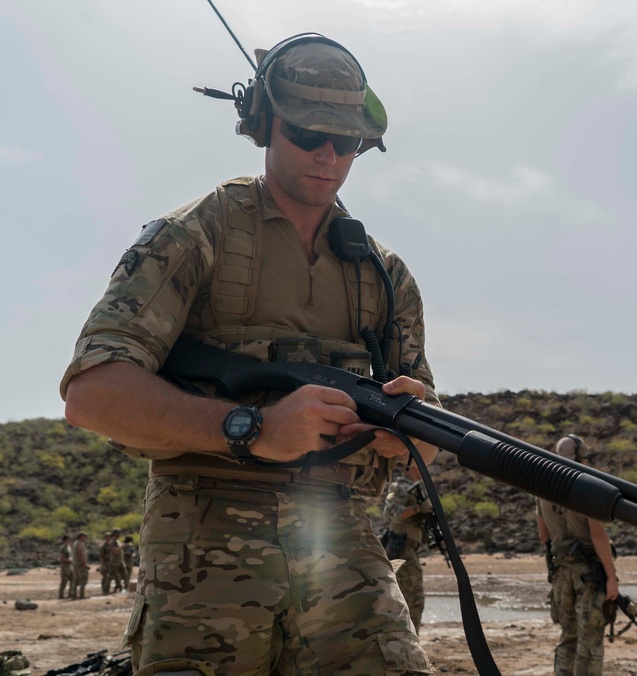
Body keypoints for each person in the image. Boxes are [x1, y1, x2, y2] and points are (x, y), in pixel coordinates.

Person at [61, 33, 439, 676]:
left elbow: (421, 426)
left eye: (345, 141)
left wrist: (412, 437)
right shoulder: (198, 234)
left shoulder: (382, 274)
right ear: (263, 122)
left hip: (344, 548)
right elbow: (93, 394)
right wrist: (251, 429)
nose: (328, 155)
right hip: (203, 557)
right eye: (307, 133)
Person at [536, 434, 620, 676]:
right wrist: (611, 577)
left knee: (568, 637)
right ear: (581, 456)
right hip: (589, 575)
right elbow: (597, 535)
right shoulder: (586, 485)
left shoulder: (541, 487)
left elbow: (544, 536)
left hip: (561, 571)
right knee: (590, 640)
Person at [381, 462, 433, 632]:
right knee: (412, 599)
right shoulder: (399, 488)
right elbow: (390, 514)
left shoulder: (415, 490)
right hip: (401, 550)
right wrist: (417, 508)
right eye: (419, 465)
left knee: (412, 599)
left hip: (410, 549)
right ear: (409, 467)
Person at [72, 531, 89, 600]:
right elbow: (80, 554)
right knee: (83, 578)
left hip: (75, 564)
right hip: (80, 564)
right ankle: (81, 594)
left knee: (76, 579)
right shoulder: (80, 544)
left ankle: (73, 594)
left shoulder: (75, 543)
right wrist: (84, 564)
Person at [57, 534, 74, 600]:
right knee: (64, 581)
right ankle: (61, 594)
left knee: (73, 579)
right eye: (69, 539)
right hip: (65, 566)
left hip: (69, 565)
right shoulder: (63, 547)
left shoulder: (68, 547)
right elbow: (61, 558)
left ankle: (71, 593)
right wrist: (69, 561)